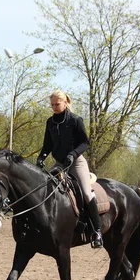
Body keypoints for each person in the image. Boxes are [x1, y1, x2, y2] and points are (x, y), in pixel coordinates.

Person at [36, 90, 103, 249]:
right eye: (52, 105)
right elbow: (47, 145)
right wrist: (41, 157)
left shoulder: (75, 120)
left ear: (65, 102)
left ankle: (97, 231)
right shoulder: (50, 122)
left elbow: (85, 143)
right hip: (60, 163)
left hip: (76, 162)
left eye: (57, 104)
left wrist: (73, 154)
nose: (54, 107)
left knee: (86, 193)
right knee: (44, 187)